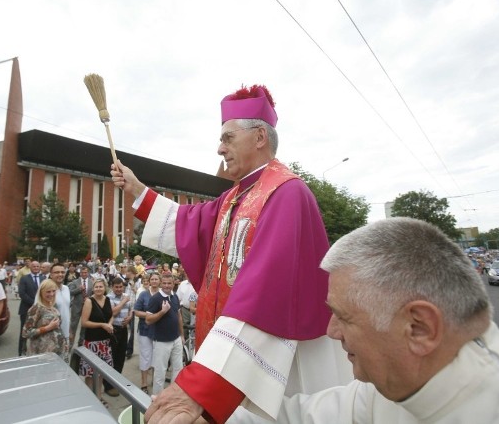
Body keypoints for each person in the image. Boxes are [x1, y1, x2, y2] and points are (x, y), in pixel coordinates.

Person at [112, 84, 350, 422]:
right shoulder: (234, 198)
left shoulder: (286, 193)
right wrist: (138, 190)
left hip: (275, 362)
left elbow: (264, 294)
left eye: (227, 138)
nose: (219, 148)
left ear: (259, 138)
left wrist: (201, 387)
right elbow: (188, 223)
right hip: (231, 350)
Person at [228, 217, 499, 423]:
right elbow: (298, 417)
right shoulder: (386, 387)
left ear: (419, 328)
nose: (330, 332)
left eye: (342, 316)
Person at [146, 272, 184, 395]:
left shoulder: (175, 297)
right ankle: (156, 399)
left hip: (176, 339)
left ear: (174, 283)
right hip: (162, 341)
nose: (167, 286)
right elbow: (148, 320)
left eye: (169, 283)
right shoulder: (155, 299)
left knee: (178, 369)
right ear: (161, 283)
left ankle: (172, 396)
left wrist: (182, 335)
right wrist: (162, 312)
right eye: (165, 283)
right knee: (160, 372)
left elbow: (179, 316)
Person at [79, 278, 114, 406]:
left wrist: (109, 324)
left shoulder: (108, 299)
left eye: (101, 286)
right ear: (93, 289)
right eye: (96, 287)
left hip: (105, 342)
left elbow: (111, 315)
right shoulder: (89, 301)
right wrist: (102, 325)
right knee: (90, 373)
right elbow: (84, 322)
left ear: (105, 288)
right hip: (92, 342)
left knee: (101, 373)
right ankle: (90, 398)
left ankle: (99, 397)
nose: (99, 289)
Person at [22, 279, 67, 359]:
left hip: (56, 352)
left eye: (53, 291)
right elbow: (26, 332)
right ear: (41, 292)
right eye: (48, 292)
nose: (52, 294)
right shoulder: (36, 308)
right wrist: (48, 328)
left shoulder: (53, 307)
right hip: (42, 354)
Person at [104, 277, 133, 397]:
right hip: (113, 330)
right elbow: (113, 312)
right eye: (116, 287)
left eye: (121, 287)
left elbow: (132, 310)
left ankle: (117, 381)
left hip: (124, 329)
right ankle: (108, 385)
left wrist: (130, 317)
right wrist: (123, 301)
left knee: (121, 356)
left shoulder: (126, 296)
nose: (119, 289)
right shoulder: (109, 298)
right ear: (112, 287)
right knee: (112, 357)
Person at [133, 272, 159, 393]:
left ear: (159, 281)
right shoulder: (143, 294)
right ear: (149, 281)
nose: (154, 281)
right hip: (144, 330)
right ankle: (144, 383)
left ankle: (154, 380)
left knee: (157, 356)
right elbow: (136, 311)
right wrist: (150, 315)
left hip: (159, 331)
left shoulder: (163, 294)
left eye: (156, 279)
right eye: (152, 279)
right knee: (145, 356)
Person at [17, 260, 43, 355]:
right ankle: (21, 352)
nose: (36, 268)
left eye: (37, 266)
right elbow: (22, 294)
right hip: (26, 309)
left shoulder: (43, 278)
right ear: (30, 268)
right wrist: (35, 303)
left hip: (40, 310)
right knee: (24, 331)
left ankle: (36, 351)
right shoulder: (24, 278)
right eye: (34, 266)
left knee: (38, 331)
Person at [49, 262, 71, 359]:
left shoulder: (66, 289)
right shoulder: (46, 290)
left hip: (65, 334)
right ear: (51, 274)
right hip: (51, 336)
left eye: (62, 272)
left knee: (64, 365)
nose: (60, 274)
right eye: (57, 272)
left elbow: (66, 310)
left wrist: (69, 330)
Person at [69, 266, 91, 346]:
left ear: (88, 273)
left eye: (85, 272)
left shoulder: (91, 282)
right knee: (73, 326)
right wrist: (79, 289)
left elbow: (94, 293)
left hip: (87, 307)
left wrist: (89, 298)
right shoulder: (75, 282)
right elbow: (70, 292)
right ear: (80, 273)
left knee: (84, 326)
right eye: (82, 273)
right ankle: (70, 344)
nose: (84, 274)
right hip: (76, 307)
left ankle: (81, 344)